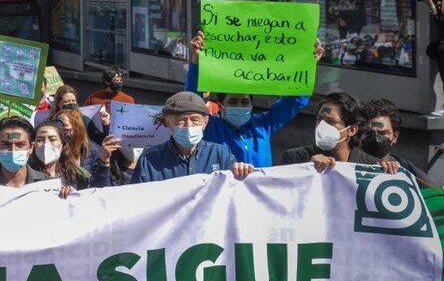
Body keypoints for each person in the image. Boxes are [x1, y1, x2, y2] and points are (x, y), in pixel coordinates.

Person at [186, 31, 323, 167]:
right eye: (233, 102)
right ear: (221, 106)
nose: (240, 106)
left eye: (245, 102)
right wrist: (196, 62)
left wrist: (307, 65)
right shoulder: (210, 127)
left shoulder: (262, 125)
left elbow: (293, 102)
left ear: (251, 106)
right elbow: (191, 103)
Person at [131, 92, 254, 184]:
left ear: (205, 122)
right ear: (168, 122)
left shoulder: (221, 154)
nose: (188, 125)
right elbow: (138, 200)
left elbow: (234, 190)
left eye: (195, 120)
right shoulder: (149, 160)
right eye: (180, 120)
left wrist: (242, 174)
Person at [281, 92, 399, 174]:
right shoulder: (295, 158)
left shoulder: (371, 168)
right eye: (319, 119)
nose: (321, 125)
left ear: (351, 130)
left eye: (330, 121)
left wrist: (391, 172)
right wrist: (306, 168)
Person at [359, 99, 431, 183]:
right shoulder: (350, 165)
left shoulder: (406, 169)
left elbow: (433, 188)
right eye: (368, 133)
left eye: (382, 133)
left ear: (394, 136)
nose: (375, 138)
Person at [27, 120, 99, 196]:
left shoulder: (79, 176)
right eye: (39, 140)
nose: (46, 144)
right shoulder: (24, 173)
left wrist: (74, 193)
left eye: (52, 139)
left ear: (63, 144)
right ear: (33, 145)